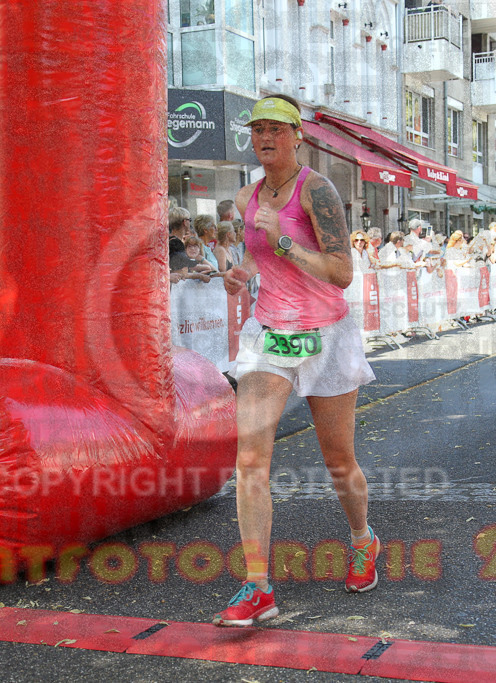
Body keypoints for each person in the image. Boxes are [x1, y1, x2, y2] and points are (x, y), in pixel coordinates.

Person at [215, 94, 378, 627]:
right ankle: (257, 584)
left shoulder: (319, 190)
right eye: (258, 129)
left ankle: (362, 539)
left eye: (277, 130)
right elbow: (253, 252)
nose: (265, 138)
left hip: (325, 334)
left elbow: (341, 272)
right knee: (250, 461)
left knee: (337, 460)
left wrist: (284, 243)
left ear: (297, 137)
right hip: (269, 335)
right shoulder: (246, 197)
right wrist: (244, 270)